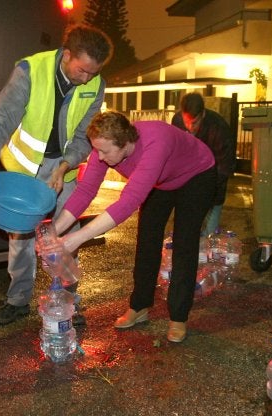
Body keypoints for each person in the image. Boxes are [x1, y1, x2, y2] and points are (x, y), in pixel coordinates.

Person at [0, 24, 113, 326]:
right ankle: (17, 301)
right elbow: (4, 116)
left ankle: (66, 302)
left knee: (63, 240)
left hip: (64, 172)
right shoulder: (30, 70)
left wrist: (65, 166)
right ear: (67, 54)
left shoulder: (96, 84)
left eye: (93, 73)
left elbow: (85, 134)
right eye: (81, 70)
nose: (86, 78)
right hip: (25, 170)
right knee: (20, 241)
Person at [48, 111, 216, 343]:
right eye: (97, 150)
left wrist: (76, 239)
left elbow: (128, 202)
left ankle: (178, 316)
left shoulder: (155, 143)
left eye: (105, 151)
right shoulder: (104, 149)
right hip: (162, 181)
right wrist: (54, 231)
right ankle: (140, 306)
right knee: (147, 239)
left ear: (126, 143)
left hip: (197, 175)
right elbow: (86, 191)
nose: (100, 157)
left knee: (184, 243)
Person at [171, 92, 236, 236]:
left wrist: (207, 191)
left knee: (208, 235)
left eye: (195, 122)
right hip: (187, 186)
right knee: (185, 232)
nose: (190, 126)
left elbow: (224, 167)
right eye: (187, 121)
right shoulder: (177, 121)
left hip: (213, 186)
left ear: (203, 114)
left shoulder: (219, 128)